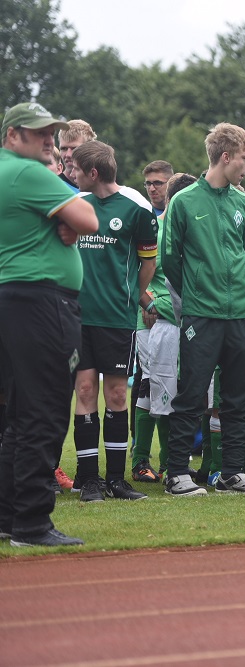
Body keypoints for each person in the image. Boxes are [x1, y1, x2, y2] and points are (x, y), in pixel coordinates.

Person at [0, 102, 99, 546]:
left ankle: (9, 516)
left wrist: (64, 221)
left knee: (19, 416)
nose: (48, 140)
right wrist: (68, 218)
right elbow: (88, 218)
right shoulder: (29, 173)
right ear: (12, 135)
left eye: (51, 133)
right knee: (44, 413)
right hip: (42, 301)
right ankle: (32, 523)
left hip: (13, 298)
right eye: (38, 132)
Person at [160, 122, 245, 496]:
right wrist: (196, 295)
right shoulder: (184, 201)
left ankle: (232, 474)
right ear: (226, 157)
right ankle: (177, 473)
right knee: (191, 395)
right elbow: (169, 259)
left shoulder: (244, 204)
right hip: (201, 315)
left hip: (241, 315)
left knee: (236, 398)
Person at [71, 140, 157, 502]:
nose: (71, 174)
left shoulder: (137, 206)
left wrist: (132, 296)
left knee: (117, 393)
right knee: (86, 391)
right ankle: (88, 479)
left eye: (75, 169)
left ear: (93, 172)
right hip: (76, 316)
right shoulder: (75, 205)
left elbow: (148, 261)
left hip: (117, 318)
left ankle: (118, 480)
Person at [131, 172, 198, 483]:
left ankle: (170, 462)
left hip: (185, 323)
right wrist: (148, 303)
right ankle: (150, 461)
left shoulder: (187, 228)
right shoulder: (158, 230)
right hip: (159, 324)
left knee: (168, 390)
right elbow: (135, 273)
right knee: (155, 389)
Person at [57, 119, 96, 191]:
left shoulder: (103, 189)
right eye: (64, 148)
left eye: (74, 148)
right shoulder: (53, 189)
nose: (68, 155)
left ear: (89, 149)